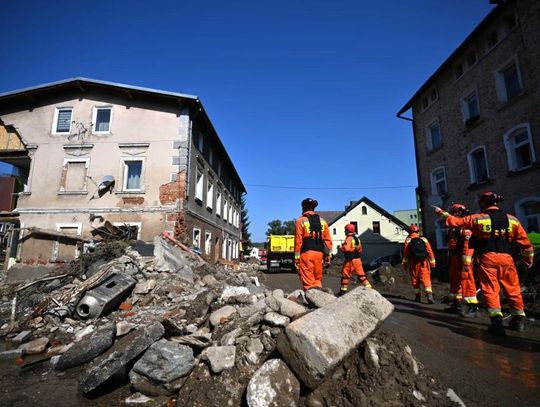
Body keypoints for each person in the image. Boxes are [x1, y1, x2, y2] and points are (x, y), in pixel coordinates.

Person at [434, 192, 534, 335]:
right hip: (507, 259)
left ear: (482, 203)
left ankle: (497, 324)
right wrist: (528, 261)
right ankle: (519, 321)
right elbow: (526, 245)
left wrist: (441, 213)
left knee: (491, 290)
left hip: (488, 259)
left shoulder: (478, 219)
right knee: (513, 289)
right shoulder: (513, 220)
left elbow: (454, 222)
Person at [445, 203, 480, 317]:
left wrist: (466, 261)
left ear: (458, 212)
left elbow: (468, 246)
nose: (451, 214)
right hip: (455, 256)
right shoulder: (454, 227)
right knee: (455, 280)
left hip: (464, 257)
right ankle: (457, 305)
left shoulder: (465, 226)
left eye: (453, 212)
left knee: (468, 281)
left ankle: (473, 307)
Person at [294, 198, 333, 291]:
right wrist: (328, 256)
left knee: (308, 280)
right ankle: (319, 299)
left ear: (303, 208)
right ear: (314, 208)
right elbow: (328, 240)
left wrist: (296, 259)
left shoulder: (301, 221)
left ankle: (311, 300)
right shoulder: (323, 221)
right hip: (319, 254)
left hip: (307, 254)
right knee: (317, 279)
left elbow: (298, 241)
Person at [402, 224, 436, 303]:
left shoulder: (408, 240)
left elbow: (405, 254)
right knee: (426, 279)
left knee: (415, 279)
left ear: (410, 232)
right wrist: (432, 263)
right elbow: (430, 251)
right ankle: (429, 296)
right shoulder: (424, 239)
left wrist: (404, 265)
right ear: (418, 231)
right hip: (424, 262)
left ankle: (417, 297)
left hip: (413, 263)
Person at [339, 223, 372, 295]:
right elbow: (360, 250)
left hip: (350, 260)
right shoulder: (357, 239)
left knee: (345, 275)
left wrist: (341, 248)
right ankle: (369, 289)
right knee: (361, 276)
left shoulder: (349, 238)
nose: (345, 232)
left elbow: (346, 248)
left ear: (348, 230)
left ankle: (342, 292)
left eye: (345, 230)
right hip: (358, 260)